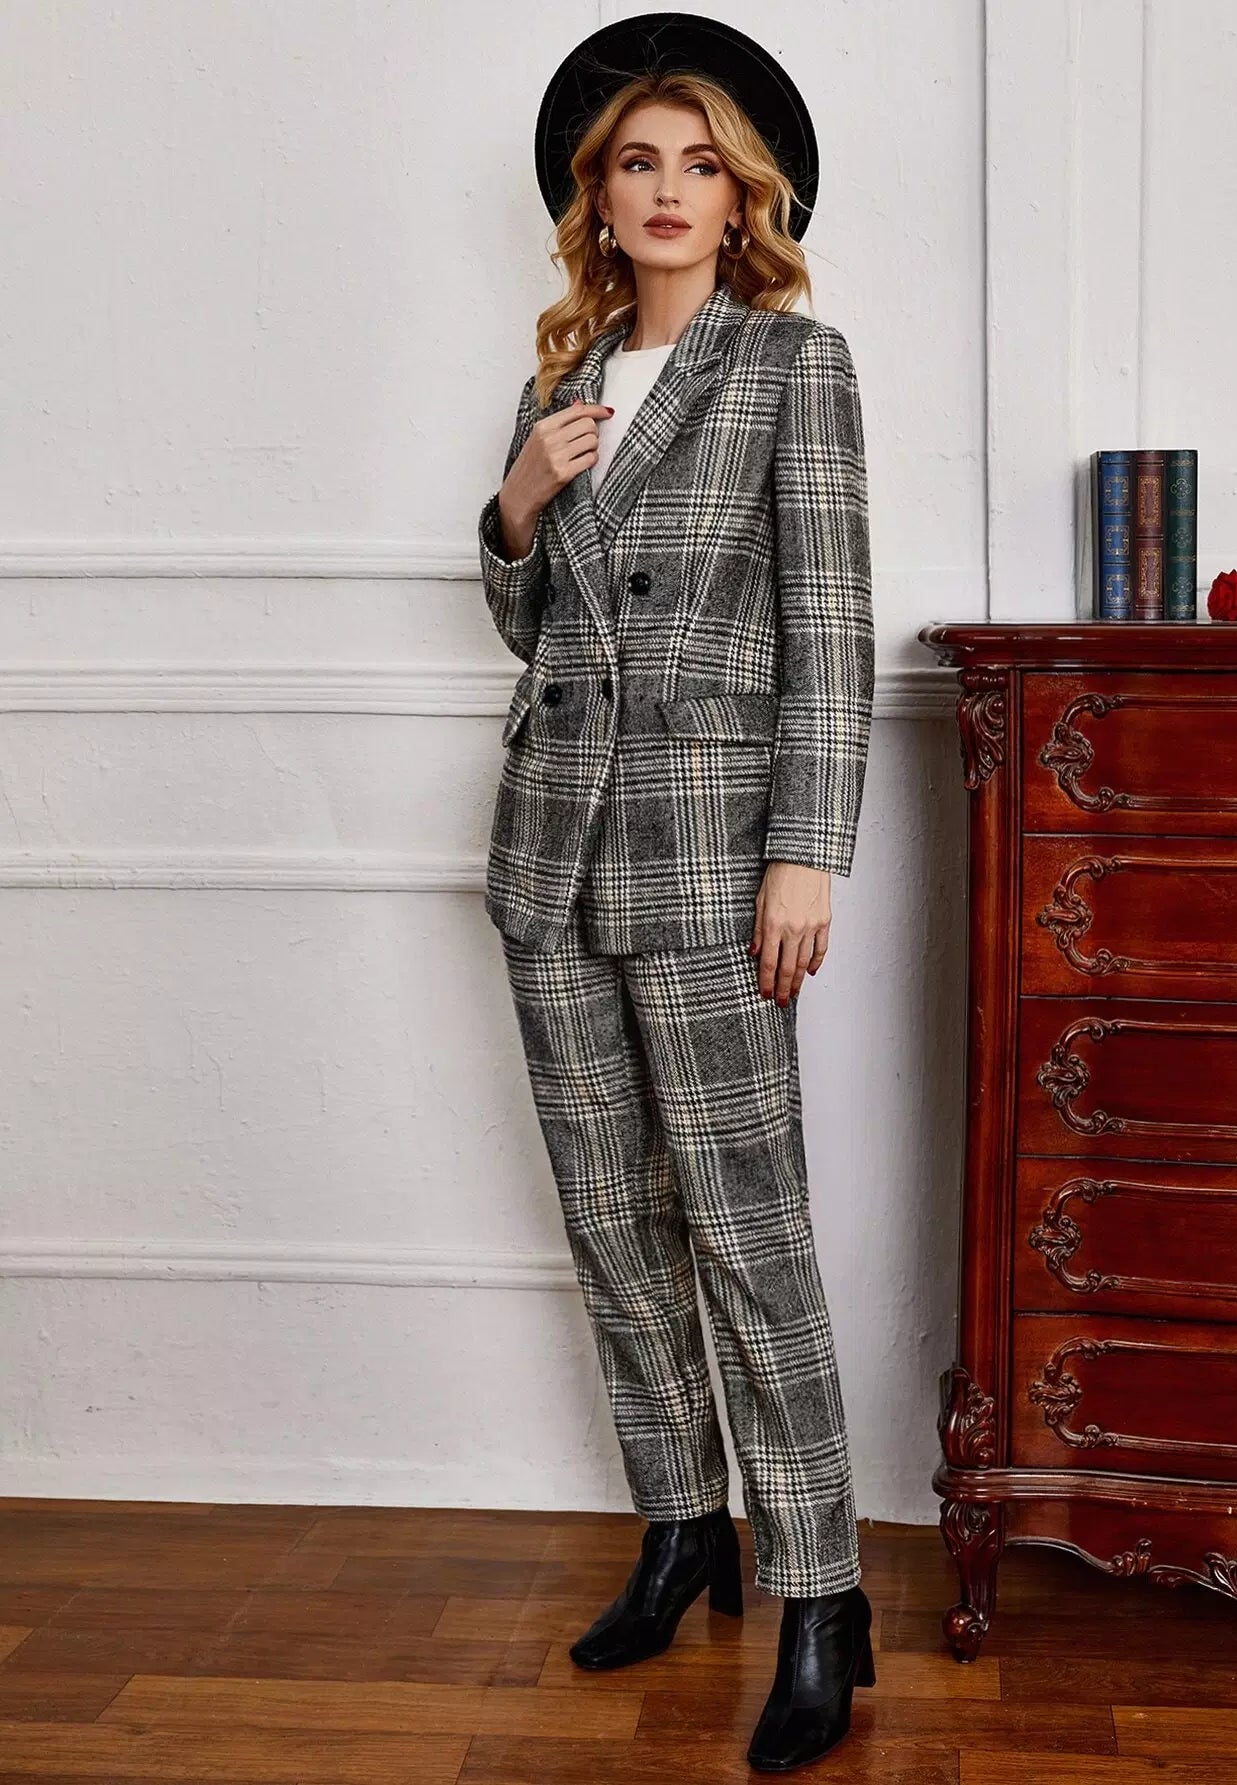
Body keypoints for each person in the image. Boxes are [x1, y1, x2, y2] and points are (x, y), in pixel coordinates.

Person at [476, 14, 876, 1772]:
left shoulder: (792, 366)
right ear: (597, 195)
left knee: (744, 1224)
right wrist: (515, 502)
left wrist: (809, 848)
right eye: (637, 163)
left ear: (743, 196)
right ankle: (678, 1522)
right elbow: (531, 625)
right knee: (608, 1213)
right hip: (549, 851)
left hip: (715, 854)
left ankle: (822, 1592)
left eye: (699, 165)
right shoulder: (559, 382)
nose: (665, 191)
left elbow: (833, 624)